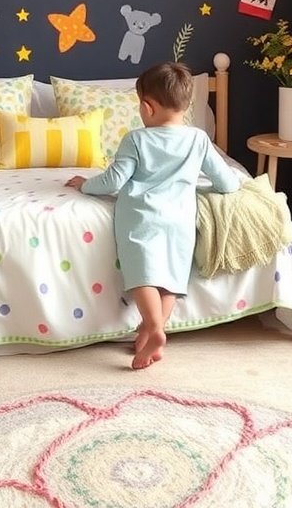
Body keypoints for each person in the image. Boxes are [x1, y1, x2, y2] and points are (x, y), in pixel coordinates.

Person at [65, 61, 241, 370]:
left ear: (147, 107)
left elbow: (113, 181)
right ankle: (152, 330)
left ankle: (154, 327)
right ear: (186, 105)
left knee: (143, 274)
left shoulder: (136, 139)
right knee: (171, 277)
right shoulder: (199, 140)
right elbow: (226, 183)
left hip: (141, 217)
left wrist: (85, 186)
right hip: (181, 219)